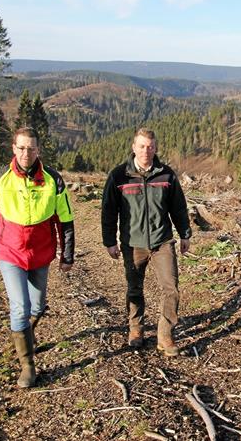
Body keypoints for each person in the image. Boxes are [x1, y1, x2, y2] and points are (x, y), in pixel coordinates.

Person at [0, 127, 75, 388]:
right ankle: (28, 365)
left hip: (41, 252)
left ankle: (25, 335)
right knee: (19, 306)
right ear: (13, 148)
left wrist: (67, 255)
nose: (26, 153)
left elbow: (65, 220)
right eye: (21, 147)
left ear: (38, 150)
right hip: (9, 251)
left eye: (31, 148)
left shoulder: (54, 179)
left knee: (37, 305)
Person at [101, 128, 191, 356]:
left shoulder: (167, 175)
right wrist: (110, 241)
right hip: (133, 243)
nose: (146, 151)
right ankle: (136, 330)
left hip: (163, 241)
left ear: (156, 148)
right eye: (141, 146)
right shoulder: (119, 176)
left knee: (171, 288)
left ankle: (165, 335)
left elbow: (178, 208)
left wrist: (185, 234)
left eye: (150, 146)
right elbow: (109, 211)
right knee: (134, 288)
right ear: (133, 148)